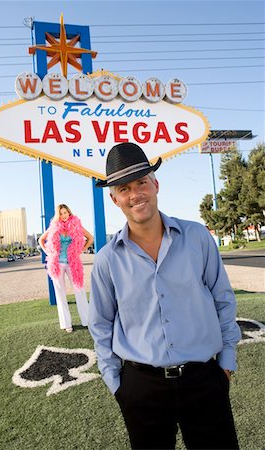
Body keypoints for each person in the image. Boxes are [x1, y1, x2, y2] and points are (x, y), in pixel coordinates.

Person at [88, 142, 241, 450]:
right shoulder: (107, 259)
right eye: (124, 188)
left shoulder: (197, 237)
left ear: (155, 184)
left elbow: (222, 298)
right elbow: (101, 324)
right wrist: (116, 384)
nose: (135, 195)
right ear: (114, 198)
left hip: (204, 379)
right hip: (141, 387)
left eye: (141, 182)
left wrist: (226, 360)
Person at [39, 204, 93, 333]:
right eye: (61, 213)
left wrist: (81, 250)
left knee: (79, 290)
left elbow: (90, 238)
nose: (64, 215)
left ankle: (86, 320)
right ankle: (66, 323)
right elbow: (41, 240)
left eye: (66, 212)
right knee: (60, 293)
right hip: (57, 263)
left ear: (69, 213)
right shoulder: (54, 227)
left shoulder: (76, 225)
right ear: (58, 215)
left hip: (72, 263)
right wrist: (48, 253)